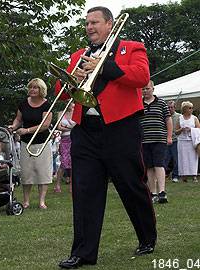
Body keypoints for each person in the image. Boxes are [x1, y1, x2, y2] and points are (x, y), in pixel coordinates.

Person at [56, 7, 157, 269]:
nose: (89, 27)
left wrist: (104, 67)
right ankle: (83, 253)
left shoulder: (132, 47)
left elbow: (141, 77)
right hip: (86, 130)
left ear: (109, 24)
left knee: (130, 185)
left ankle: (147, 237)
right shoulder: (78, 55)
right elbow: (61, 91)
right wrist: (72, 80)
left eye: (95, 22)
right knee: (85, 190)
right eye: (87, 23)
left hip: (121, 128)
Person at [9, 78, 52, 209]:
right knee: (26, 172)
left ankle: (41, 201)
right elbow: (18, 119)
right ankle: (26, 201)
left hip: (42, 142)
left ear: (41, 90)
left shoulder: (46, 104)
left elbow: (45, 125)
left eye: (35, 87)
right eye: (31, 87)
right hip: (25, 142)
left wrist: (27, 130)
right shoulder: (23, 104)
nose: (32, 90)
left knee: (42, 171)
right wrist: (13, 126)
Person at [140, 80, 172, 204]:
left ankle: (162, 192)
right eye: (143, 89)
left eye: (147, 88)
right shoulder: (138, 103)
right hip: (144, 140)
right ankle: (152, 192)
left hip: (159, 139)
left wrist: (169, 136)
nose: (145, 91)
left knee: (159, 164)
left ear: (153, 89)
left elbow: (168, 120)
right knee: (149, 167)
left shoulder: (162, 103)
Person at [175, 101, 200, 182]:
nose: (191, 109)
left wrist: (191, 129)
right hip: (182, 141)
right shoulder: (180, 118)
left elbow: (199, 130)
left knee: (193, 158)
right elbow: (176, 132)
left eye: (192, 108)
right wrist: (181, 129)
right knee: (183, 158)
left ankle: (194, 176)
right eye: (190, 108)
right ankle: (184, 176)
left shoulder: (194, 118)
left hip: (192, 140)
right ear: (184, 109)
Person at [54, 103, 76, 193]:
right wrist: (70, 128)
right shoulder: (60, 113)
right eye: (70, 104)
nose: (72, 106)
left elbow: (78, 126)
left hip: (74, 139)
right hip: (64, 140)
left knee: (73, 163)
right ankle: (57, 185)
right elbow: (58, 127)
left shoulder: (76, 113)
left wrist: (66, 127)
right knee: (63, 162)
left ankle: (72, 186)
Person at [165, 100, 181, 182]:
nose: (170, 109)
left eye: (171, 107)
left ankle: (175, 176)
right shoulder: (164, 116)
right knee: (165, 159)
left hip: (176, 140)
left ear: (175, 108)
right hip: (166, 140)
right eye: (168, 107)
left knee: (176, 159)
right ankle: (164, 174)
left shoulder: (179, 116)